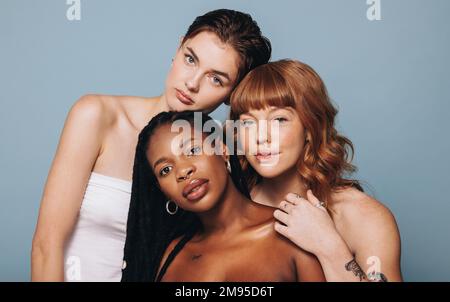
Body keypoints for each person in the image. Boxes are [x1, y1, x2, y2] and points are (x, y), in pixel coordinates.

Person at [31, 9, 271, 281]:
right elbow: (46, 245)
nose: (192, 83)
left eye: (216, 79)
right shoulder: (98, 115)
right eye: (190, 59)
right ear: (178, 48)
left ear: (232, 94)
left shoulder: (223, 151)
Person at [229, 59, 402, 281]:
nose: (261, 137)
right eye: (248, 123)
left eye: (279, 119)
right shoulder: (232, 207)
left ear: (310, 128)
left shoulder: (365, 217)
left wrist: (329, 246)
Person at [121, 110, 325, 281]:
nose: (182, 171)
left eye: (192, 149)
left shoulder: (292, 231)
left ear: (223, 150)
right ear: (163, 191)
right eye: (165, 170)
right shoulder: (170, 256)